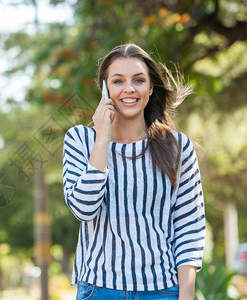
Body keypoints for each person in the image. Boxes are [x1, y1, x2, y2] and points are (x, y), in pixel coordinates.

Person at [62, 43, 205, 300]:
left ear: (150, 88)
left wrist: (186, 297)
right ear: (104, 89)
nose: (129, 88)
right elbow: (83, 209)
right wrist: (103, 136)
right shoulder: (79, 140)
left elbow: (189, 229)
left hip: (162, 291)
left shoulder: (177, 146)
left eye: (138, 80)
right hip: (100, 290)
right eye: (118, 81)